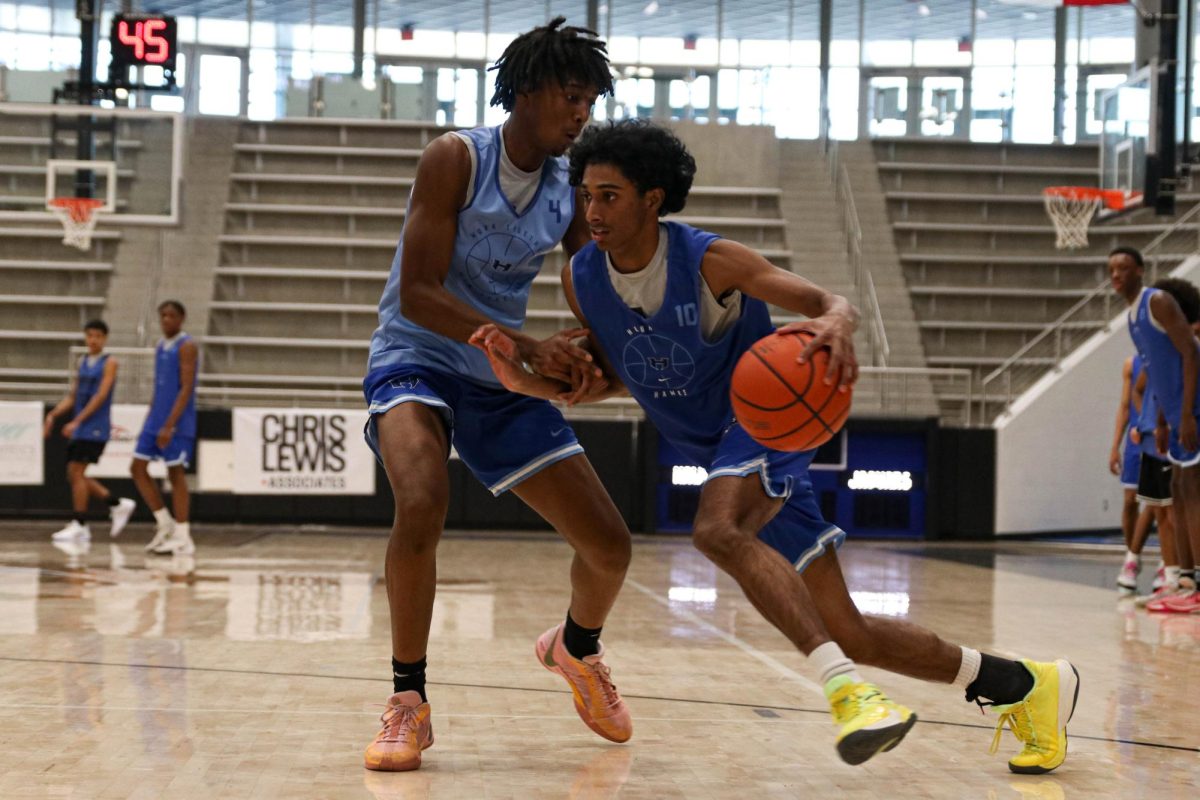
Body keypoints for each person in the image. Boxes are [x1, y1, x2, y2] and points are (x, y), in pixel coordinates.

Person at [471, 120, 1080, 773]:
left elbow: (826, 299)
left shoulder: (711, 260)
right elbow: (630, 375)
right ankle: (1029, 685)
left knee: (716, 529)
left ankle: (847, 692)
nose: (592, 211)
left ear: (653, 199)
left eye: (610, 196)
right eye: (587, 195)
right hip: (713, 450)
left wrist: (836, 320)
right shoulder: (582, 276)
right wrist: (527, 381)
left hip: (764, 427)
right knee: (854, 630)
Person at [361, 18, 634, 773]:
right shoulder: (456, 158)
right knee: (420, 498)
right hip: (415, 358)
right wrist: (520, 342)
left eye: (590, 103)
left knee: (610, 548)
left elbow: (591, 291)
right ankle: (408, 703)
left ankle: (575, 650)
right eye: (573, 96)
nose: (582, 114)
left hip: (499, 377)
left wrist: (607, 358)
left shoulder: (568, 191)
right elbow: (416, 292)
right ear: (528, 91)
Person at [1112, 250, 1200, 613]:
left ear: (1140, 271)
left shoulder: (1157, 302)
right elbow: (1158, 372)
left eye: (1123, 268)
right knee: (1177, 491)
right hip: (1174, 416)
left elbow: (1190, 353)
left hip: (1192, 411)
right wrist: (1162, 420)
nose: (1116, 275)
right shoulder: (1132, 318)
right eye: (1111, 269)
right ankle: (1185, 579)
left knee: (1191, 493)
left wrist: (1186, 415)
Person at [43, 319, 135, 542]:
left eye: (97, 336)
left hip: (95, 426)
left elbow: (101, 396)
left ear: (104, 338)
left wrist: (78, 421)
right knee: (75, 474)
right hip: (81, 427)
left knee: (76, 472)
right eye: (89, 335)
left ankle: (81, 523)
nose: (93, 340)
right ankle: (116, 504)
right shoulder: (82, 361)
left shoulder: (109, 362)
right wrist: (53, 415)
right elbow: (73, 396)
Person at [131, 300, 198, 557]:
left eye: (171, 316)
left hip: (178, 421)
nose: (166, 320)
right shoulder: (160, 346)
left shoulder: (187, 346)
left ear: (181, 319)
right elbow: (160, 386)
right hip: (156, 417)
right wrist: (151, 418)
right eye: (163, 316)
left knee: (175, 473)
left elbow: (186, 387)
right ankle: (164, 523)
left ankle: (183, 535)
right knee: (137, 468)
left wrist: (170, 424)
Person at [1128, 365, 1179, 606]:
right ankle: (1170, 580)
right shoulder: (1152, 358)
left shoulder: (1184, 354)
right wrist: (1143, 420)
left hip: (1172, 440)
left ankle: (1184, 579)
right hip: (1150, 442)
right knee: (1161, 514)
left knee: (1174, 513)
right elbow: (1137, 391)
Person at [1109, 354, 1156, 593]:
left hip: (1158, 437)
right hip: (1135, 441)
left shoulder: (1174, 355)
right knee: (1130, 501)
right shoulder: (1131, 363)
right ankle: (1133, 557)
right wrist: (1115, 446)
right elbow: (1125, 406)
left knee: (1156, 502)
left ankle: (1163, 562)